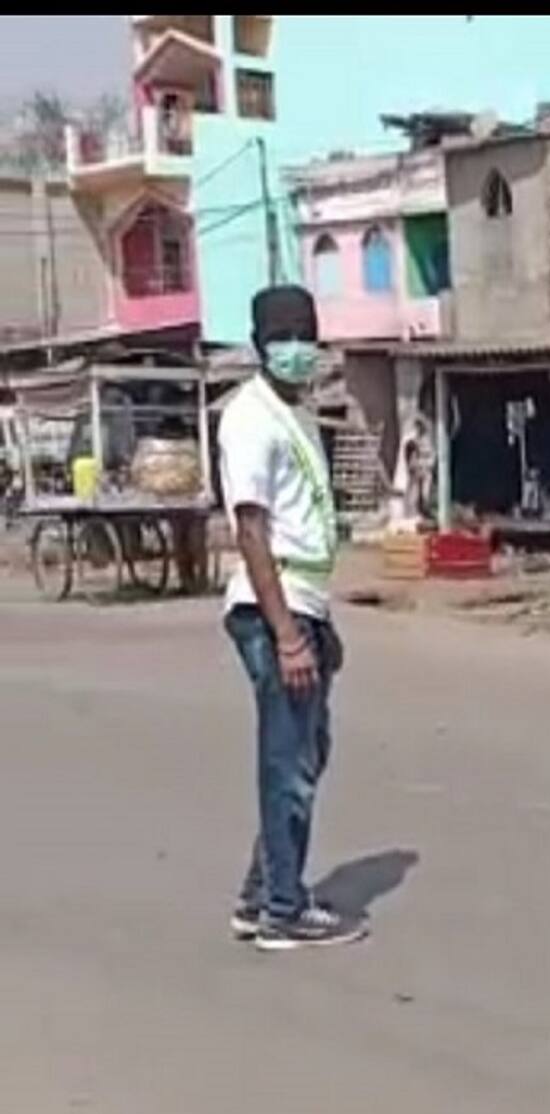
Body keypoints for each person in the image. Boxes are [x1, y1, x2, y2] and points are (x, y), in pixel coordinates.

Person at [220, 284, 365, 950]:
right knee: (288, 762)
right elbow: (251, 528)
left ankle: (263, 894)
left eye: (306, 335)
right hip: (273, 608)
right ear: (259, 346)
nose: (298, 349)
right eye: (283, 338)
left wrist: (318, 628)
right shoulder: (248, 417)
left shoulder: (298, 413)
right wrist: (286, 635)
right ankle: (283, 908)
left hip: (306, 602)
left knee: (308, 751)